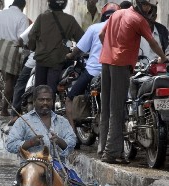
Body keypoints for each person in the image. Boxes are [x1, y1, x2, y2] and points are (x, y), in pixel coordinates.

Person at [98, 0, 167, 164]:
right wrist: (163, 58)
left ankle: (103, 149)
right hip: (121, 64)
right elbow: (153, 42)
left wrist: (109, 48)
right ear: (140, 4)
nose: (148, 8)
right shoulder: (138, 19)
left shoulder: (116, 13)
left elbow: (102, 35)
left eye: (149, 6)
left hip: (106, 62)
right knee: (117, 108)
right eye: (146, 5)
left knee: (106, 107)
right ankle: (111, 153)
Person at [4, 85, 78, 186]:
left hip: (57, 165)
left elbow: (72, 141)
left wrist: (59, 141)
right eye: (41, 99)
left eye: (48, 100)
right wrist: (30, 143)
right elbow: (10, 144)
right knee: (32, 183)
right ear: (35, 101)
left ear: (53, 101)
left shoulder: (62, 122)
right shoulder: (23, 121)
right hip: (31, 165)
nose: (45, 103)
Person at [65, 3, 120, 134]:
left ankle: (72, 134)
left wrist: (70, 55)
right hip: (116, 71)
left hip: (93, 71)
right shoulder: (124, 29)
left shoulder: (94, 28)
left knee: (69, 99)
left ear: (103, 14)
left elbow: (78, 49)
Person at [28, 0, 84, 96]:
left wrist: (33, 48)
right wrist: (74, 53)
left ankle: (36, 108)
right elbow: (83, 39)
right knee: (51, 90)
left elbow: (31, 36)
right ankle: (50, 108)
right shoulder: (70, 20)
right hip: (58, 61)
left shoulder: (42, 17)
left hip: (41, 59)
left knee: (38, 90)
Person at [0, 0, 29, 115]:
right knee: (9, 79)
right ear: (22, 7)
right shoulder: (22, 17)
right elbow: (22, 38)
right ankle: (4, 109)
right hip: (12, 47)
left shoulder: (0, 14)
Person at [8, 23, 36, 126]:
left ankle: (15, 114)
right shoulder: (67, 20)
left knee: (20, 83)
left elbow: (20, 40)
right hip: (60, 60)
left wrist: (25, 45)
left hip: (36, 59)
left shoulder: (39, 20)